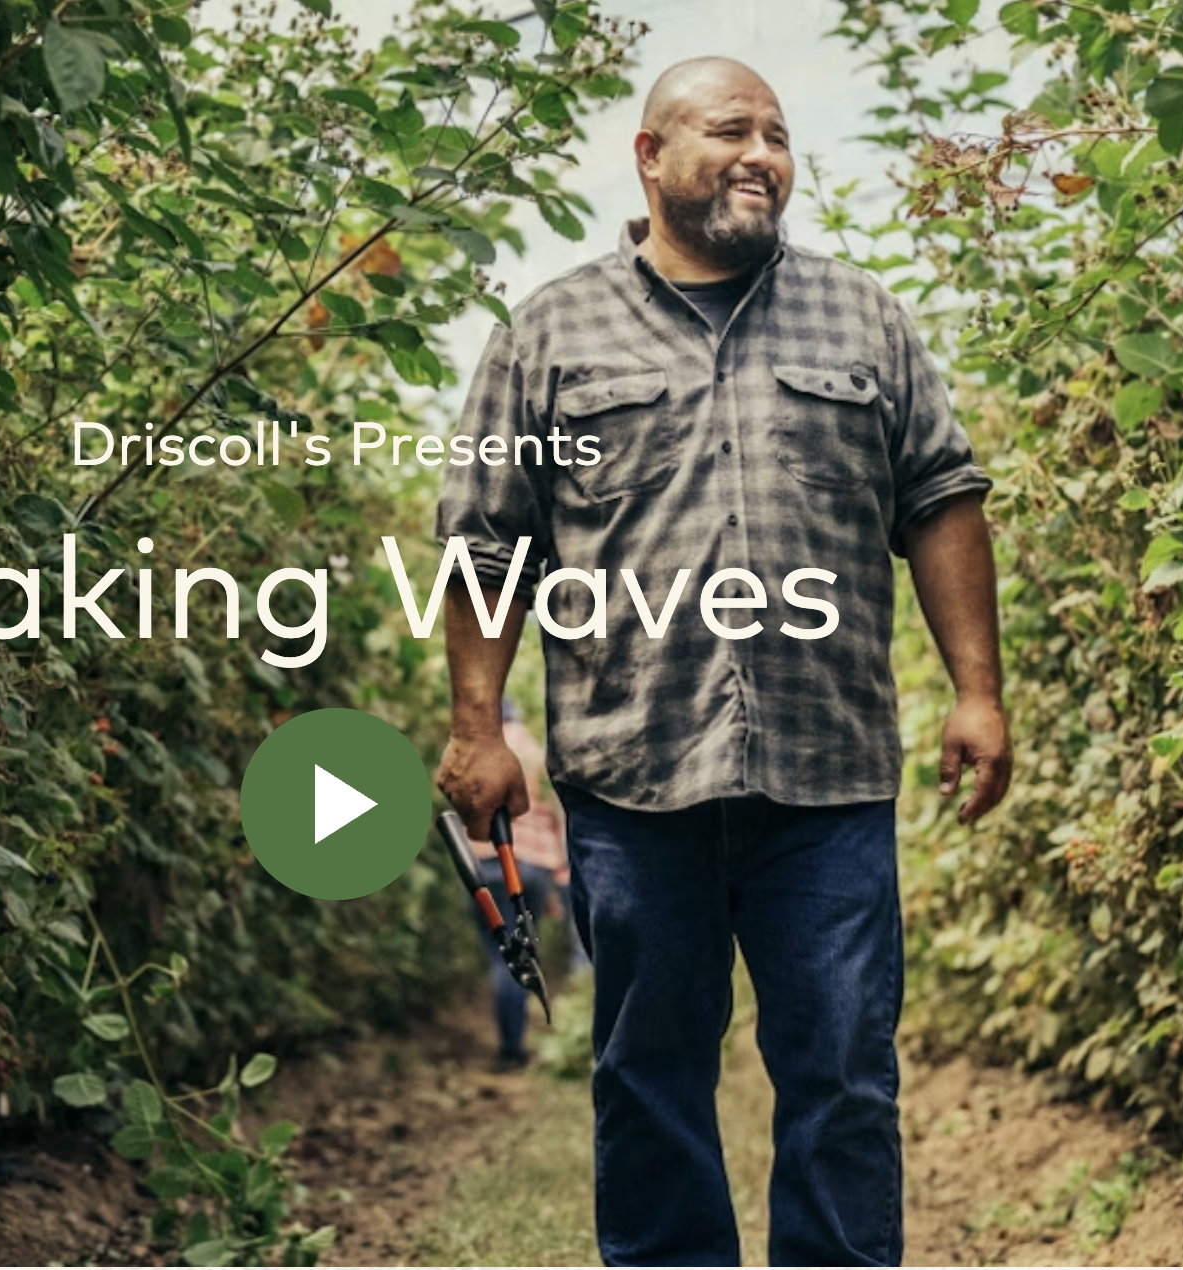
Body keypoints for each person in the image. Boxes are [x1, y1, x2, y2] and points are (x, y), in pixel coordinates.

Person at [434, 57, 1012, 1267]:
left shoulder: (861, 316)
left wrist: (976, 691)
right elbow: (486, 541)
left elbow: (941, 498)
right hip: (633, 784)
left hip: (828, 781)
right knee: (646, 1078)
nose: (761, 153)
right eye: (729, 129)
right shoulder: (551, 331)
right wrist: (477, 728)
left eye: (779, 135)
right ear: (649, 157)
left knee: (845, 1079)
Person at [467, 698, 567, 1071]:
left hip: (488, 862)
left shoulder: (477, 753)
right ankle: (516, 1041)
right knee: (523, 955)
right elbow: (556, 813)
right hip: (535, 864)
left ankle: (510, 1047)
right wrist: (559, 871)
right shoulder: (535, 752)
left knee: (500, 956)